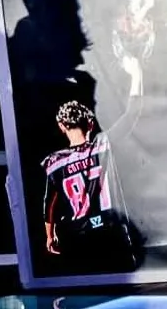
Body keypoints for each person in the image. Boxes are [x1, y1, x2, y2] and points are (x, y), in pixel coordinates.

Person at [40, 101, 139, 273]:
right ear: (91, 124)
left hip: (79, 236)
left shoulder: (55, 162)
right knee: (125, 288)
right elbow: (131, 116)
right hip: (112, 230)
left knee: (87, 292)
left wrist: (50, 235)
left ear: (62, 127)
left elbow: (50, 205)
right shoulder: (103, 145)